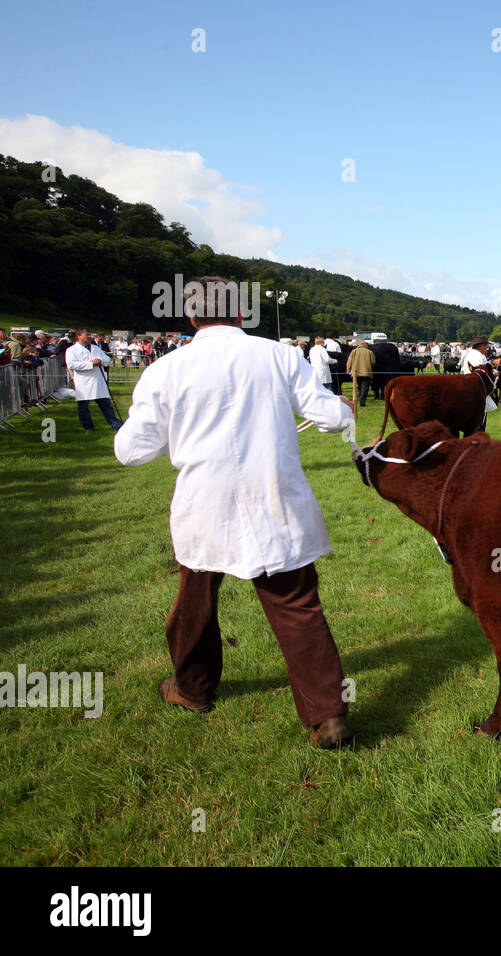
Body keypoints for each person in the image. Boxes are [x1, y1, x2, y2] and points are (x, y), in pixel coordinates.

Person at [113, 276, 357, 748]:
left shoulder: (167, 369)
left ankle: (192, 688)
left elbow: (131, 450)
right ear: (243, 314)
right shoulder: (281, 356)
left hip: (205, 503)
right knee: (297, 607)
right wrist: (341, 409)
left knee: (194, 606)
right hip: (275, 496)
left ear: (191, 317)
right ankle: (328, 716)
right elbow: (328, 417)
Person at [65, 329, 123, 430]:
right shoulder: (71, 350)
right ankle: (88, 426)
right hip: (84, 381)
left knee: (105, 404)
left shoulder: (95, 348)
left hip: (97, 380)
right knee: (83, 406)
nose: (89, 336)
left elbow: (107, 359)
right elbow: (71, 364)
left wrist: (100, 360)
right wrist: (91, 363)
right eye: (86, 335)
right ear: (79, 336)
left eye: (89, 335)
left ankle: (116, 424)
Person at [346, 337, 375, 406]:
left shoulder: (354, 351)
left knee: (358, 386)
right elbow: (373, 362)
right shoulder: (370, 352)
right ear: (366, 346)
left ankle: (357, 399)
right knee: (365, 387)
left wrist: (348, 371)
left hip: (356, 373)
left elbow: (349, 362)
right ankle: (362, 402)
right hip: (366, 372)